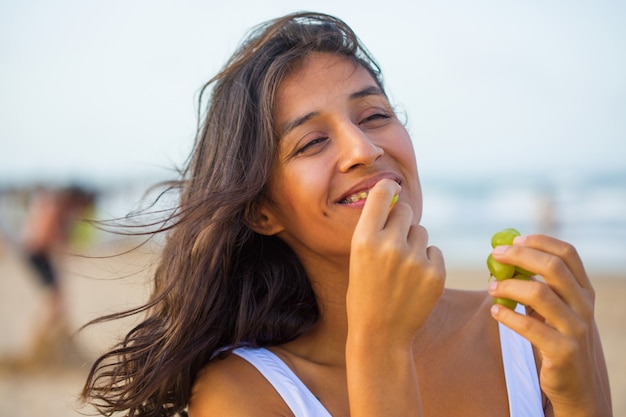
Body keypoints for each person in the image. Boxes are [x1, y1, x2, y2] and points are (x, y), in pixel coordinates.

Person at [80, 11, 612, 417]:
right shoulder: (241, 394)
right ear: (264, 213)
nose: (363, 148)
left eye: (375, 115)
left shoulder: (530, 330)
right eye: (312, 142)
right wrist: (380, 347)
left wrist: (582, 402)